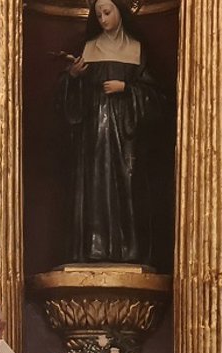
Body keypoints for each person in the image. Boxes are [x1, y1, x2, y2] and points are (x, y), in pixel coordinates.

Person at [58, 0, 163, 265]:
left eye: (107, 12)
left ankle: (128, 251)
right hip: (93, 135)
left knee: (127, 186)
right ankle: (94, 248)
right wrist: (73, 76)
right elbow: (68, 105)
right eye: (98, 15)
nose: (103, 19)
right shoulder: (89, 48)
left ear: (120, 11)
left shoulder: (137, 49)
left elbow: (156, 98)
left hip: (126, 136)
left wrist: (126, 88)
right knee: (94, 185)